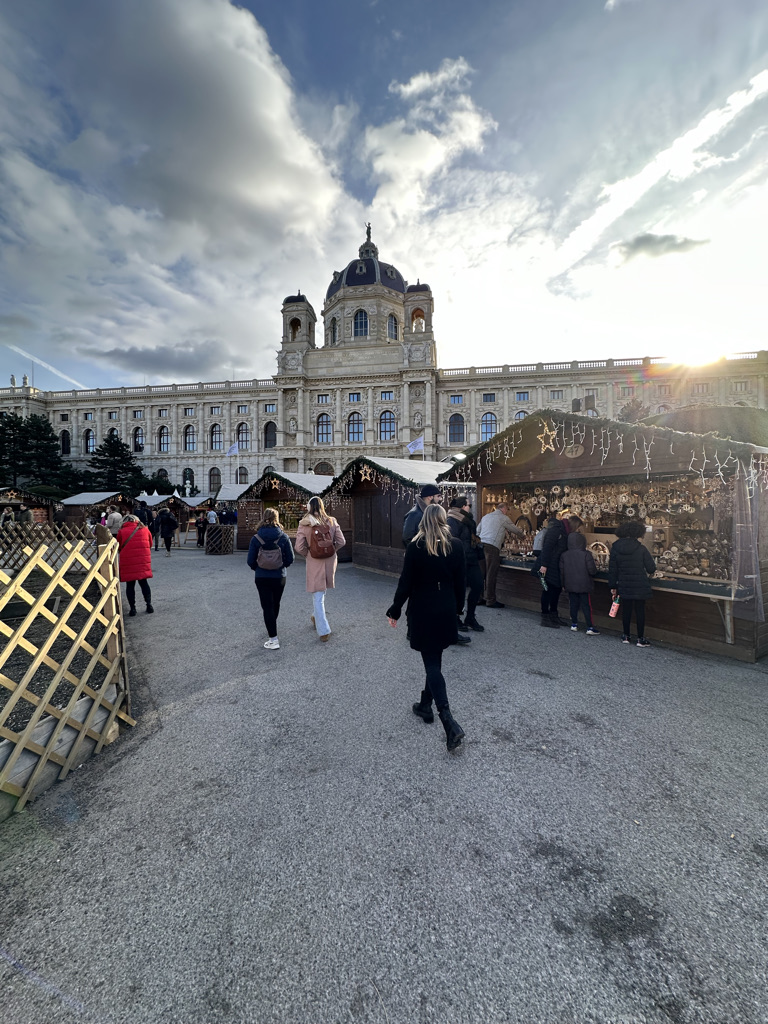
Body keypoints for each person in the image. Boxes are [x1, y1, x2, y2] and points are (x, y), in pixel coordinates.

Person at [386, 503, 467, 751]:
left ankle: (448, 721)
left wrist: (395, 609)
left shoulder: (416, 547)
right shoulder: (456, 545)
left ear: (424, 521)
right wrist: (457, 609)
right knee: (435, 659)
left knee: (431, 662)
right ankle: (424, 705)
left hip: (422, 609)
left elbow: (406, 582)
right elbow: (461, 582)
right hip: (446, 608)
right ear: (444, 520)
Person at [295, 495, 346, 642]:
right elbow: (342, 541)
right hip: (330, 560)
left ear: (309, 507)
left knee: (317, 595)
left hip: (314, 560)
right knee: (321, 592)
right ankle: (315, 616)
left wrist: (308, 554)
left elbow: (298, 547)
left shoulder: (304, 524)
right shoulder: (332, 520)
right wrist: (332, 550)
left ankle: (323, 631)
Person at [247, 508, 295, 649]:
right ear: (277, 518)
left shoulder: (256, 538)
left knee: (267, 606)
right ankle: (272, 628)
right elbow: (290, 558)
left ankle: (273, 638)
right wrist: (281, 566)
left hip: (262, 576)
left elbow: (250, 560)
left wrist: (258, 568)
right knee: (275, 604)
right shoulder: (283, 537)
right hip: (279, 576)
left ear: (264, 517)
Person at [608, 520, 656, 647]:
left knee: (626, 610)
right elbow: (651, 568)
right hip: (640, 584)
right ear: (638, 533)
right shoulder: (641, 549)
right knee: (640, 611)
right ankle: (640, 638)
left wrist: (613, 586)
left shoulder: (615, 548)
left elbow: (612, 569)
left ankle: (626, 636)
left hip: (623, 584)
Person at [447, 495, 485, 632]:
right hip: (459, 560)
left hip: (471, 558)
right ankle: (456, 618)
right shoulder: (452, 520)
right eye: (469, 505)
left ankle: (470, 617)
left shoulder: (468, 521)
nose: (471, 507)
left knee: (478, 584)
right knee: (459, 591)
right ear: (463, 506)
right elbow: (452, 541)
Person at [477, 501, 523, 608]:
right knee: (490, 574)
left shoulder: (486, 517)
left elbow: (477, 531)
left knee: (481, 574)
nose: (507, 512)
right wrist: (523, 536)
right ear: (504, 509)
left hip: (481, 546)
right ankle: (490, 600)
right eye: (507, 510)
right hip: (492, 547)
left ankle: (479, 598)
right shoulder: (503, 518)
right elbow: (515, 529)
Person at [559, 532, 600, 634]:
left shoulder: (564, 555)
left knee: (573, 605)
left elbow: (562, 572)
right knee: (586, 606)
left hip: (570, 584)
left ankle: (574, 624)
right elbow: (592, 571)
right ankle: (590, 627)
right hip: (584, 584)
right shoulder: (586, 554)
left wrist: (563, 584)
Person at [116, 514, 154, 616]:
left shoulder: (122, 531)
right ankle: (149, 605)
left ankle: (133, 608)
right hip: (142, 559)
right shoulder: (145, 529)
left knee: (130, 585)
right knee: (144, 583)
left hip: (128, 561)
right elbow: (150, 543)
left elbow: (118, 546)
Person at [537, 515, 568, 627]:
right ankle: (546, 617)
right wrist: (544, 565)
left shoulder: (558, 531)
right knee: (549, 591)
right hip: (550, 566)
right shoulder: (556, 532)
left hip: (555, 565)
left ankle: (553, 615)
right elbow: (547, 548)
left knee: (554, 591)